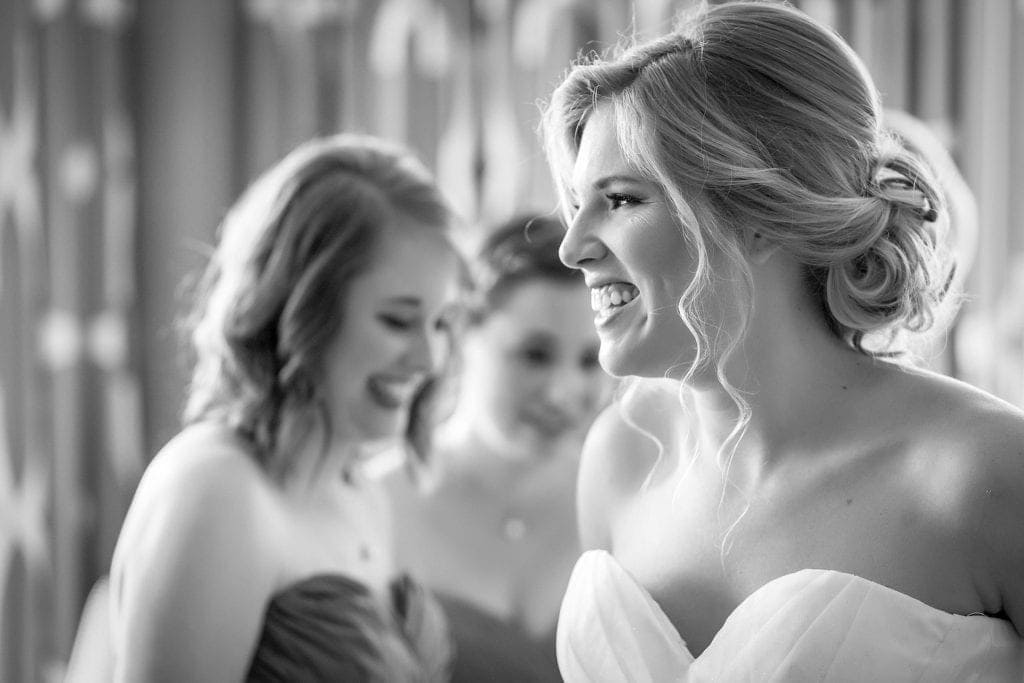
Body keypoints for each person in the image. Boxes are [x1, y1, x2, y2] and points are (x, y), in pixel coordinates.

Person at [540, 2, 1024, 680]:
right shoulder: (619, 456)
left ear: (757, 211)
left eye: (620, 200)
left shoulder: (984, 473)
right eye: (577, 201)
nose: (571, 248)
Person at [108, 134, 464, 681]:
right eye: (397, 320)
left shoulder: (359, 491)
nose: (430, 357)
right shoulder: (218, 491)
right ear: (299, 309)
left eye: (441, 323)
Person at [386, 213, 610, 682]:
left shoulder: (622, 506)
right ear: (462, 334)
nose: (563, 392)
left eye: (590, 360)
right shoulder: (378, 501)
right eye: (534, 354)